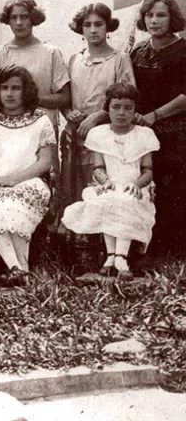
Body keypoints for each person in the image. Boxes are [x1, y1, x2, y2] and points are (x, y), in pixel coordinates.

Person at [60, 4, 134, 268]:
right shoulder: (74, 59)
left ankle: (110, 252)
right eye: (87, 25)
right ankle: (81, 250)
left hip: (105, 134)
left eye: (98, 24)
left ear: (107, 27)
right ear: (80, 29)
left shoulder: (118, 58)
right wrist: (69, 112)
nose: (93, 30)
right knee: (76, 188)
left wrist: (98, 116)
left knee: (102, 185)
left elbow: (126, 96)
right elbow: (65, 97)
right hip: (76, 133)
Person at [61, 84, 159, 278]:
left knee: (127, 200)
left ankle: (119, 257)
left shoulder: (144, 135)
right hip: (109, 183)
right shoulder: (99, 134)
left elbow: (148, 170)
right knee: (106, 200)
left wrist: (137, 184)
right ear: (108, 108)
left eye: (127, 107)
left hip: (136, 186)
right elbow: (98, 167)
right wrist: (105, 181)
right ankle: (112, 255)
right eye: (116, 107)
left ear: (135, 110)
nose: (121, 113)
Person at [0, 66, 55, 286]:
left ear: (26, 91)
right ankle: (20, 269)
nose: (9, 94)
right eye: (4, 88)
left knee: (13, 207)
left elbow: (45, 161)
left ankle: (17, 269)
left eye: (16, 88)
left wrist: (14, 180)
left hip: (29, 181)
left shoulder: (40, 119)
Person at [129, 0, 186, 254]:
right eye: (149, 15)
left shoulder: (183, 50)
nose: (154, 20)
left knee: (173, 188)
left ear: (172, 18)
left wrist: (155, 116)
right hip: (141, 131)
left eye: (161, 15)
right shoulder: (137, 51)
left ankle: (173, 252)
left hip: (176, 131)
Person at [0, 0, 70, 134]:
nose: (19, 22)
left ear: (33, 19)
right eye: (13, 17)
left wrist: (31, 99)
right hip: (8, 128)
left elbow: (64, 97)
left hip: (43, 129)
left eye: (24, 17)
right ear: (8, 21)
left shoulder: (50, 52)